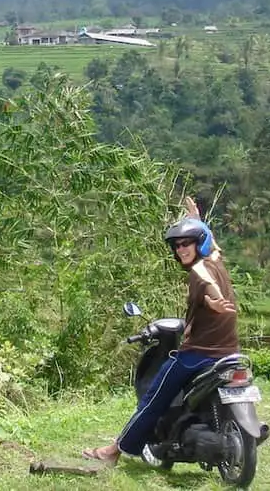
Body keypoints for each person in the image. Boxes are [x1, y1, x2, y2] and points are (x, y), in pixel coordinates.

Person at [81, 198, 239, 465]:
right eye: (176, 246)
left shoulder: (200, 270)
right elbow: (210, 244)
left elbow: (209, 285)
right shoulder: (215, 258)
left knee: (154, 398)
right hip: (229, 351)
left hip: (198, 354)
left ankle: (113, 452)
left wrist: (214, 300)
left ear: (197, 243)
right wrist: (197, 219)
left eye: (186, 243)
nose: (180, 250)